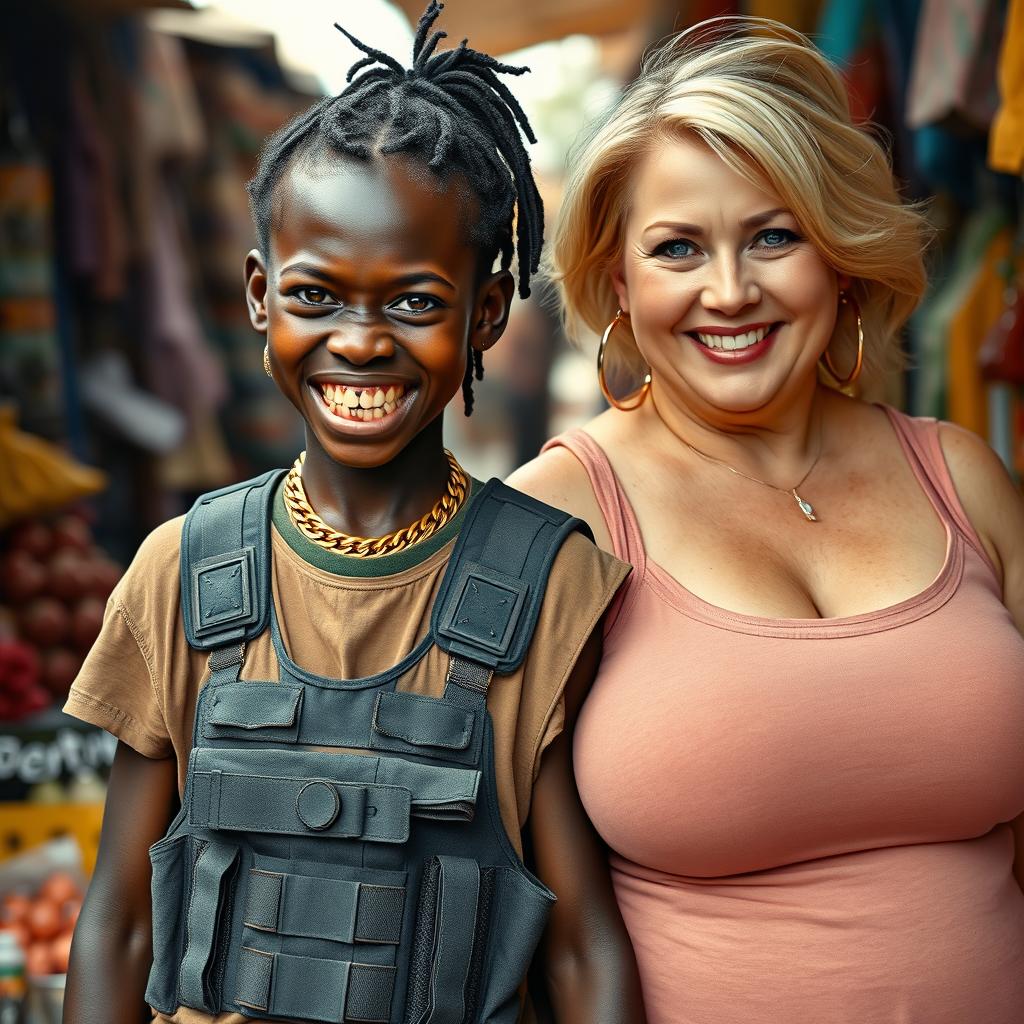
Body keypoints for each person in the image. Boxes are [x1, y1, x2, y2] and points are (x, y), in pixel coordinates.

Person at [62, 5, 644, 1023]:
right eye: (316, 295)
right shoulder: (180, 572)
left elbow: (585, 944)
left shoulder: (548, 584)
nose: (362, 341)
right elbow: (115, 921)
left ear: (488, 313)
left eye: (415, 302)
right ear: (259, 297)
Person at [510, 17, 1024, 1024]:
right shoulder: (553, 518)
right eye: (677, 249)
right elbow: (484, 889)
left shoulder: (960, 475)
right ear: (619, 281)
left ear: (839, 255)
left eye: (773, 235)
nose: (730, 291)